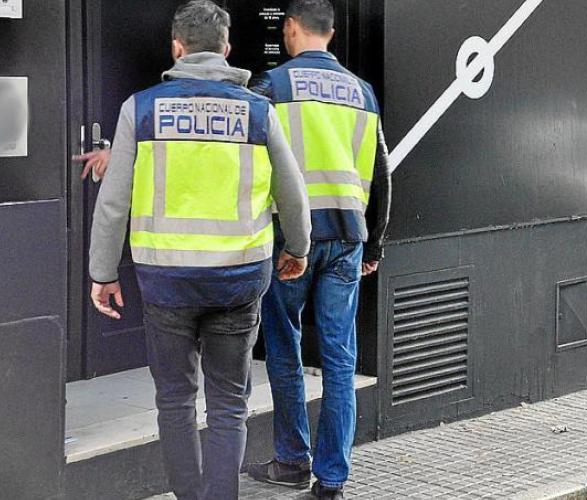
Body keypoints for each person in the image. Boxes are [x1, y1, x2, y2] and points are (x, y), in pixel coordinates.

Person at [86, 2, 311, 499]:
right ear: (226, 48)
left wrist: (103, 272)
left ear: (176, 47)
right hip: (238, 279)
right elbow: (293, 195)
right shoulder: (258, 112)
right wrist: (298, 248)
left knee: (174, 400)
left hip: (166, 281)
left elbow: (113, 201)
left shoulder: (140, 109)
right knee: (229, 403)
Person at [246, 1, 392, 498]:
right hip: (348, 238)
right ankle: (332, 479)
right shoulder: (362, 92)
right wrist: (375, 241)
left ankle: (291, 461)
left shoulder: (272, 86)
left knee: (284, 347)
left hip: (290, 242)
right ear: (329, 34)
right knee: (339, 358)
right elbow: (382, 174)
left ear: (290, 28)